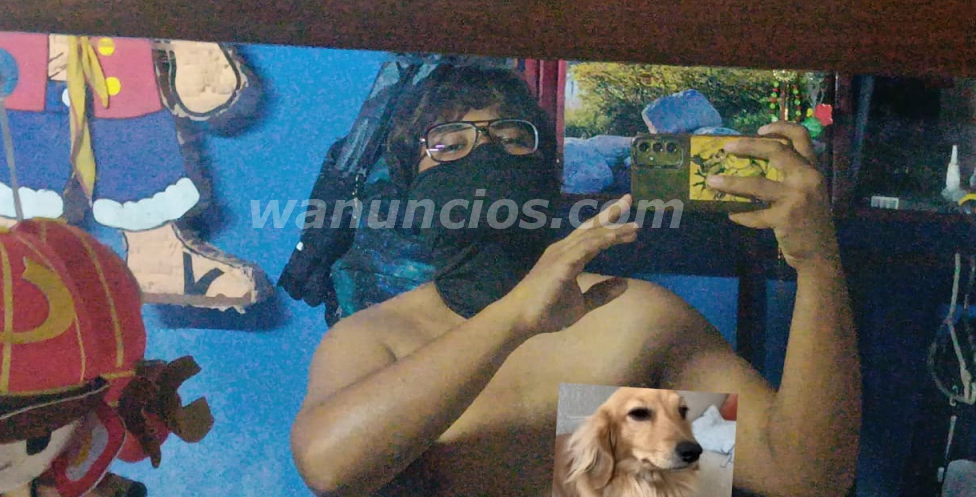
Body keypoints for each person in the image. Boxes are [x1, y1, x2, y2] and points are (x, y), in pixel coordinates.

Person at [289, 65, 861, 497]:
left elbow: (803, 475)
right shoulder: (377, 339)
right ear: (412, 187)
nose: (485, 156)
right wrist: (516, 317)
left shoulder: (631, 322)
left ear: (549, 172)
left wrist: (818, 263)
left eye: (512, 139)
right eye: (449, 145)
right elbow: (330, 469)